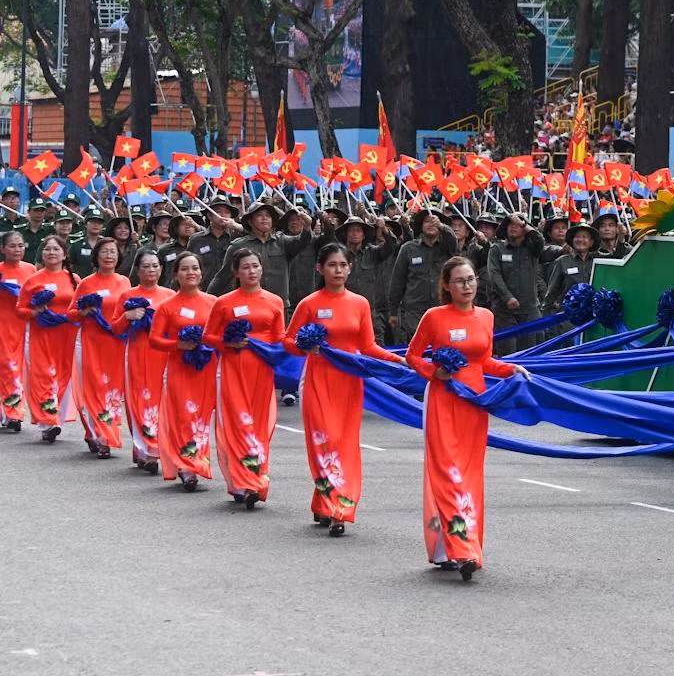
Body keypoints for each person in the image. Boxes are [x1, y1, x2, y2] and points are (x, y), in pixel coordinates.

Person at [406, 256, 528, 580]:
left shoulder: (486, 317)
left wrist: (510, 369)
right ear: (446, 285)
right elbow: (413, 354)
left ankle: (455, 545)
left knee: (469, 474)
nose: (467, 285)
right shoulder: (434, 317)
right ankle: (464, 551)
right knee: (448, 472)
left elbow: (484, 361)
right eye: (460, 280)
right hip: (444, 400)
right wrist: (436, 372)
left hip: (474, 403)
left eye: (471, 279)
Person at [287, 242, 404, 536]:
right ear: (320, 268)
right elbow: (288, 340)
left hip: (349, 382)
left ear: (350, 268)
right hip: (318, 380)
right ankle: (334, 505)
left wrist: (398, 360)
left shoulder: (360, 303)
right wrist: (307, 347)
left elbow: (367, 346)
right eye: (331, 265)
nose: (338, 270)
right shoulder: (309, 304)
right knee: (325, 441)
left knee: (344, 443)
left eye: (343, 265)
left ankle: (331, 504)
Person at [205, 249, 288, 508]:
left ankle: (255, 477)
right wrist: (227, 342)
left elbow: (280, 339)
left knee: (258, 425)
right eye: (245, 267)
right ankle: (242, 483)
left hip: (262, 371)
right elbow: (208, 337)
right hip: (232, 368)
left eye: (255, 266)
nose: (251, 272)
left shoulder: (274, 301)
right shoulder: (224, 303)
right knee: (238, 423)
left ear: (262, 269)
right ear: (236, 272)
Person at [152, 252, 218, 491]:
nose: (191, 273)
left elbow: (219, 333)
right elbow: (155, 340)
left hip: (206, 368)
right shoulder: (167, 307)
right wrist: (178, 345)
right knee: (183, 415)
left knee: (200, 416)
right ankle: (186, 466)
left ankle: (197, 459)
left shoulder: (213, 302)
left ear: (201, 273)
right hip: (179, 368)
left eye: (195, 268)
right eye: (185, 269)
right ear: (176, 275)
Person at [70, 236, 133, 458]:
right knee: (96, 389)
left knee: (113, 392)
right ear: (97, 255)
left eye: (113, 252)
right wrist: (84, 312)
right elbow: (71, 312)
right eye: (104, 252)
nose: (109, 256)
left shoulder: (124, 282)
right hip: (92, 342)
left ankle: (103, 431)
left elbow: (128, 309)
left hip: (116, 343)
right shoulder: (87, 283)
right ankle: (101, 436)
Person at [116, 249, 174, 474]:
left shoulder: (170, 295)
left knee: (160, 402)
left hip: (163, 356)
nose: (151, 270)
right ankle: (146, 450)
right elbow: (115, 327)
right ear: (137, 270)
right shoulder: (127, 296)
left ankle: (150, 449)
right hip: (137, 353)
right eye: (146, 266)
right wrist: (127, 317)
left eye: (155, 266)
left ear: (161, 269)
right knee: (138, 401)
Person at [18, 236, 81, 443]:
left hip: (67, 334)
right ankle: (48, 421)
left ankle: (55, 418)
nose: (51, 253)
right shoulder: (33, 280)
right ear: (42, 254)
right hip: (41, 334)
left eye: (56, 249)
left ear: (64, 254)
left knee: (62, 376)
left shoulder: (74, 279)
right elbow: (21, 309)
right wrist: (34, 311)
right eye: (47, 249)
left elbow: (81, 306)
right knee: (44, 375)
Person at [390, 209, 459, 344]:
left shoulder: (447, 248)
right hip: (414, 312)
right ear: (421, 225)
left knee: (442, 349)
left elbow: (453, 242)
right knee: (416, 350)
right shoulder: (408, 249)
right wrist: (393, 312)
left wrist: (442, 227)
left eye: (435, 221)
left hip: (442, 309)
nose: (431, 224)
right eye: (427, 221)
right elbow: (397, 281)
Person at [0, 229, 29, 432]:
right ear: (2, 249)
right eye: (12, 245)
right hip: (2, 325)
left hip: (24, 327)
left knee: (18, 369)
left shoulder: (30, 270)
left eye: (20, 245)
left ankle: (13, 412)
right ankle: (9, 412)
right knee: (6, 367)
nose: (17, 249)